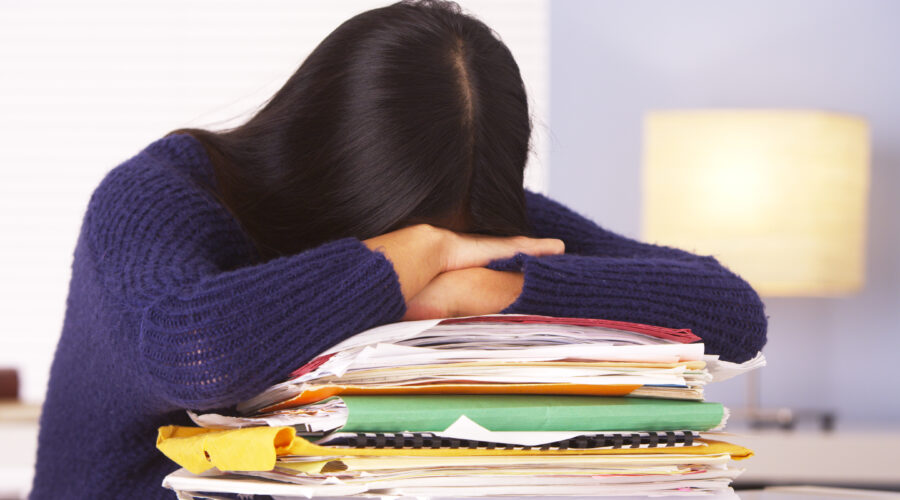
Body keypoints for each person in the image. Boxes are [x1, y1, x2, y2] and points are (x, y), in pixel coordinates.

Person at [30, 0, 767, 497]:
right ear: (322, 161)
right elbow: (190, 351)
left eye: (446, 236)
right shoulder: (158, 196)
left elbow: (732, 313)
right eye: (416, 235)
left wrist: (494, 289)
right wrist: (394, 265)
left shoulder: (468, 224)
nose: (443, 250)